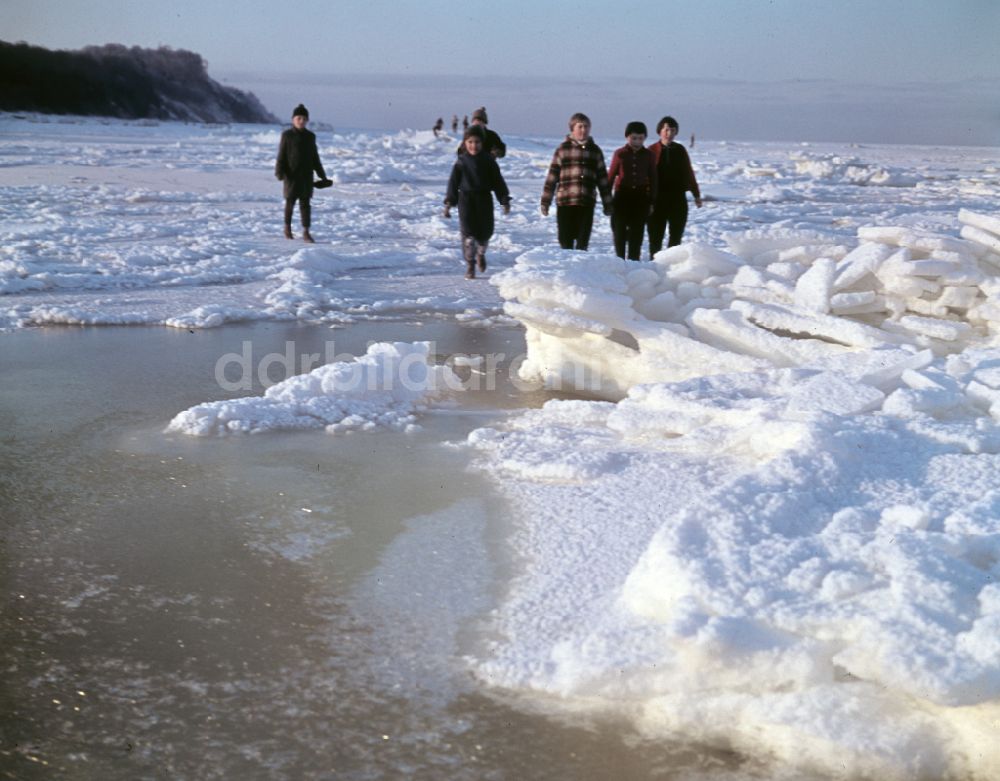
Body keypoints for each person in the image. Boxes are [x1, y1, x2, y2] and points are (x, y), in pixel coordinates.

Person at [443, 125, 511, 279]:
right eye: (470, 142)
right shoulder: (461, 162)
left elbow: (498, 182)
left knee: (485, 234)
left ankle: (481, 253)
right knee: (468, 235)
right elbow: (453, 183)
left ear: (482, 143)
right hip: (465, 199)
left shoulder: (489, 161)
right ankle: (470, 264)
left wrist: (504, 199)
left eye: (477, 142)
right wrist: (449, 203)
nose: (474, 145)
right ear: (465, 143)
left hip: (484, 199)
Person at [540, 112, 612, 251]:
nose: (583, 130)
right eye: (580, 127)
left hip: (586, 201)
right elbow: (552, 177)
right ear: (572, 128)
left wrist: (608, 203)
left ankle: (580, 269)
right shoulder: (563, 149)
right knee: (565, 241)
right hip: (566, 201)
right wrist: (545, 201)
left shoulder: (595, 151)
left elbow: (602, 179)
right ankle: (567, 269)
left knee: (582, 242)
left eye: (586, 127)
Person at [647, 115, 702, 257]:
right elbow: (644, 176)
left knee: (676, 237)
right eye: (666, 130)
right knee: (655, 237)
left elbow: (688, 172)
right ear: (660, 131)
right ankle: (654, 265)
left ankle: (671, 266)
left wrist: (696, 195)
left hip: (677, 199)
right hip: (657, 200)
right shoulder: (651, 151)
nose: (669, 133)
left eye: (672, 130)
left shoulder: (680, 150)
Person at [274, 103, 327, 243]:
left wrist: (322, 174)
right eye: (299, 118)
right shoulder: (287, 135)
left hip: (306, 177)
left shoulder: (310, 136)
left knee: (305, 205)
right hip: (291, 176)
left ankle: (306, 232)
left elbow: (315, 157)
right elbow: (282, 155)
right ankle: (287, 228)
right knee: (290, 203)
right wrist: (279, 172)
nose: (301, 121)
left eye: (304, 118)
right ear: (293, 119)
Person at [607, 121, 656, 261]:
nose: (637, 141)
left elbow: (653, 179)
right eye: (634, 138)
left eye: (641, 138)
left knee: (637, 233)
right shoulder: (620, 154)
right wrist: (607, 200)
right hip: (621, 197)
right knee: (619, 233)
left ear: (645, 138)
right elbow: (610, 177)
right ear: (627, 137)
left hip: (640, 198)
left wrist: (652, 201)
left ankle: (634, 263)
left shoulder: (649, 155)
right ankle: (619, 262)